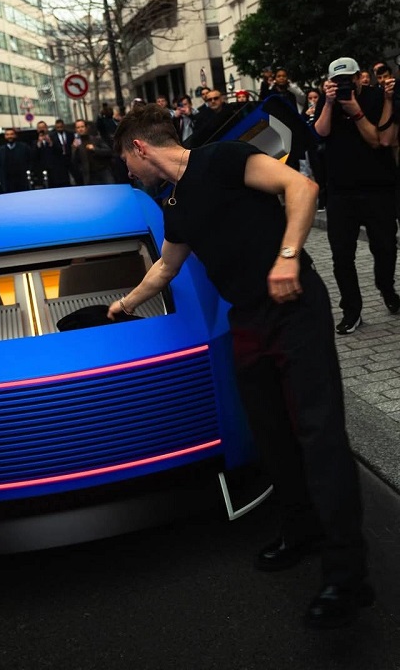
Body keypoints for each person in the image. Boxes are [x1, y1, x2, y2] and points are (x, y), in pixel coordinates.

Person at [107, 103, 372, 629]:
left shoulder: (223, 158)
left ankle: (347, 575)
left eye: (126, 160)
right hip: (248, 320)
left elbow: (301, 187)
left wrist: (288, 255)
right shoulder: (174, 202)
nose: (128, 171)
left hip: (294, 306)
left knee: (318, 434)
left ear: (140, 147)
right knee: (272, 435)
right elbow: (166, 266)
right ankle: (302, 531)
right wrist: (123, 305)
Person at [313, 57, 398, 333]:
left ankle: (386, 288)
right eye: (337, 81)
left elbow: (380, 140)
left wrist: (356, 111)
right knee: (341, 255)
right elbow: (321, 132)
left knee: (385, 247)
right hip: (341, 191)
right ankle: (352, 310)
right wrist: (329, 103)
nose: (344, 85)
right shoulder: (328, 101)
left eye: (348, 79)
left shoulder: (376, 97)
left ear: (358, 76)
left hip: (378, 188)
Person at [75, 118, 114, 185]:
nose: (80, 129)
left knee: (110, 189)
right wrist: (74, 149)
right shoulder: (76, 143)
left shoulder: (96, 139)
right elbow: (75, 161)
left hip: (104, 171)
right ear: (76, 130)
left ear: (86, 127)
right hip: (90, 176)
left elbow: (109, 152)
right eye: (78, 127)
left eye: (82, 127)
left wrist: (94, 149)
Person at [0, 127, 32, 193]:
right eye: (7, 134)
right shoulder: (0, 150)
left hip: (22, 180)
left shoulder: (24, 147)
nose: (10, 136)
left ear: (15, 135)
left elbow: (30, 160)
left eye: (11, 134)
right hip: (7, 182)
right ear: (5, 136)